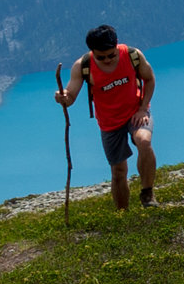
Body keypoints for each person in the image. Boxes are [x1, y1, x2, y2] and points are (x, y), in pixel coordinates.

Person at [56, 25, 158, 210]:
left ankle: (147, 193)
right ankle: (122, 214)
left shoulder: (132, 55)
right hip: (109, 122)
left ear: (117, 46)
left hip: (136, 112)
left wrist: (143, 108)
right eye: (101, 57)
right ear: (92, 52)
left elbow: (149, 78)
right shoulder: (83, 66)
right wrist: (62, 97)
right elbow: (70, 97)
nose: (108, 60)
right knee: (118, 171)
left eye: (112, 55)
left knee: (144, 141)